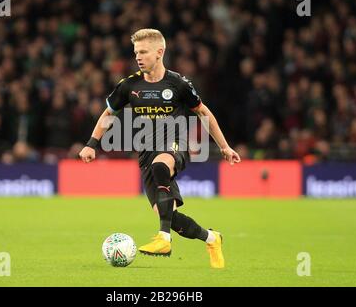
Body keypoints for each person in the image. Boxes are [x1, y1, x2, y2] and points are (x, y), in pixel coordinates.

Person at [79, 29, 241, 268]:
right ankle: (212, 238)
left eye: (143, 52)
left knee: (161, 165)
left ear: (160, 52)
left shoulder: (178, 84)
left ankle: (164, 238)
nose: (138, 57)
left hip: (176, 146)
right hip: (146, 155)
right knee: (170, 216)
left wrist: (225, 147)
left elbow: (204, 113)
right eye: (136, 52)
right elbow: (108, 114)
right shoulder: (128, 85)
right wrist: (91, 144)